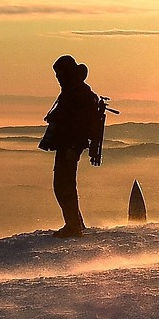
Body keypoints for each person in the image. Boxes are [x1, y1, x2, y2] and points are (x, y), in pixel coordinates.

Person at [40, 54, 107, 235]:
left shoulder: (78, 94)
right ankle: (75, 222)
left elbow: (78, 124)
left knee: (63, 185)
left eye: (61, 75)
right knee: (63, 184)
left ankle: (73, 225)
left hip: (70, 144)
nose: (59, 79)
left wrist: (72, 146)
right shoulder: (75, 91)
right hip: (68, 144)